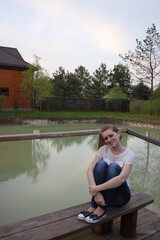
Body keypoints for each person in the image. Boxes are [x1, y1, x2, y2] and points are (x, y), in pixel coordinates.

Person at [77, 124, 135, 223]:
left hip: (120, 196)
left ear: (118, 133)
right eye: (106, 138)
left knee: (113, 167)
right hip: (102, 196)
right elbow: (89, 169)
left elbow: (121, 179)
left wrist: (97, 189)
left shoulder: (129, 154)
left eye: (111, 135)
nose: (109, 140)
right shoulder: (103, 149)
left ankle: (101, 209)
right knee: (100, 164)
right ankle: (93, 206)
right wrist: (95, 192)